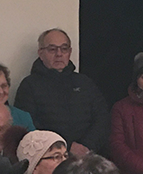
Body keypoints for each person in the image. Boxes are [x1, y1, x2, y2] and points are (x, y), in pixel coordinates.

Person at [14, 28, 109, 157]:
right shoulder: (29, 86)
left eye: (64, 49)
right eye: (52, 49)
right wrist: (67, 146)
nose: (59, 54)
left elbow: (102, 118)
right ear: (41, 53)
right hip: (50, 158)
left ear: (70, 52)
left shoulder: (84, 82)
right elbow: (29, 127)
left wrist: (87, 146)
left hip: (88, 156)